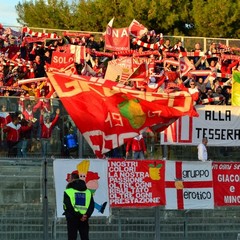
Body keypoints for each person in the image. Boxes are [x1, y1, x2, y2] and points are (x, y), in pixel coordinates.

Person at [63, 172, 94, 240]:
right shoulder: (88, 192)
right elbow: (91, 205)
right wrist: (86, 215)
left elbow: (68, 206)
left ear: (73, 179)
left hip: (72, 218)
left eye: (69, 178)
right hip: (84, 218)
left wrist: (79, 215)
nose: (68, 180)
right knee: (85, 237)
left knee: (72, 237)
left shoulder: (68, 191)